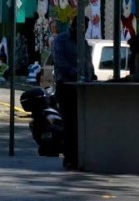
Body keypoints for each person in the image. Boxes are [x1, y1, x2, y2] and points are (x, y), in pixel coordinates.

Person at [51, 16, 95, 170]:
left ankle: (79, 157)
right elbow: (60, 63)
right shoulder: (61, 40)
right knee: (70, 124)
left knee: (81, 125)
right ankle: (70, 158)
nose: (82, 29)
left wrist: (91, 75)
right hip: (67, 87)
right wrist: (77, 73)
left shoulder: (83, 43)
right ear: (73, 25)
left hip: (82, 89)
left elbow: (88, 63)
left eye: (85, 26)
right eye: (80, 26)